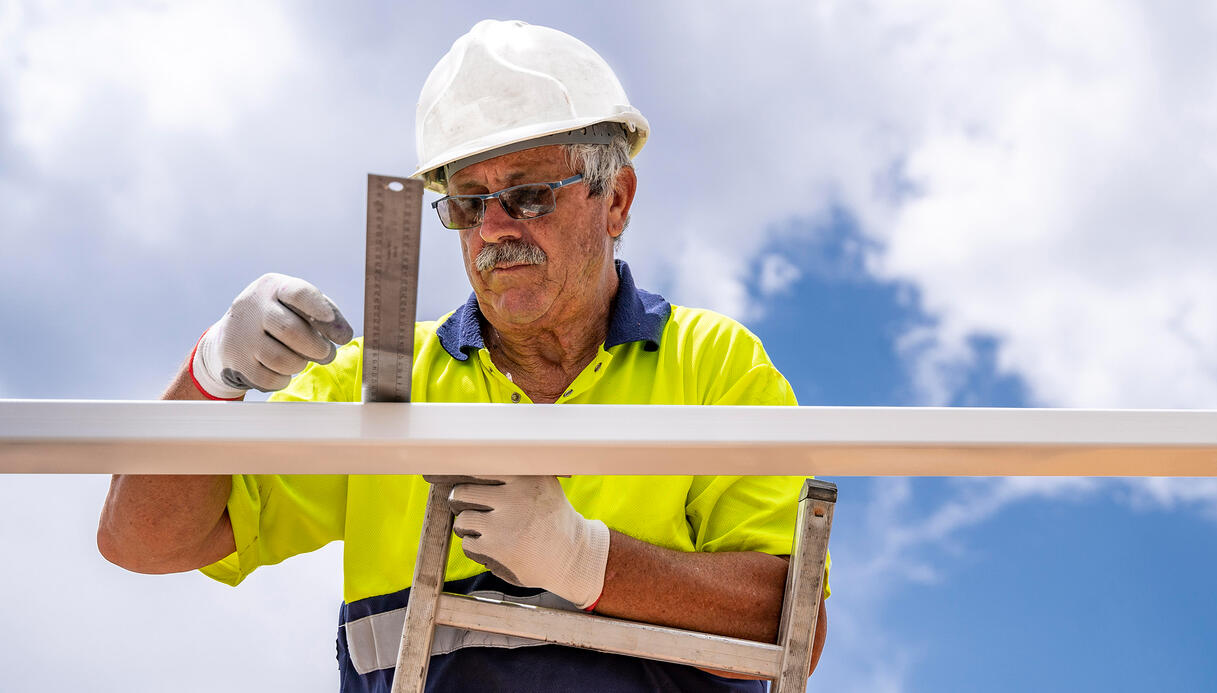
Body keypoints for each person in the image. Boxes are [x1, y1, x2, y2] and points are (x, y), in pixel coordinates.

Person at [96, 20, 827, 692]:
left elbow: (793, 625)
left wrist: (587, 560)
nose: (493, 231)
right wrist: (211, 375)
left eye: (530, 195)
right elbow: (142, 541)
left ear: (616, 198)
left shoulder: (711, 364)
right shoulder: (386, 381)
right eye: (467, 203)